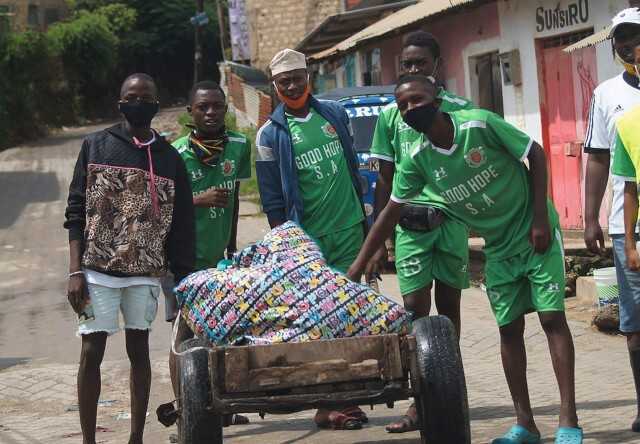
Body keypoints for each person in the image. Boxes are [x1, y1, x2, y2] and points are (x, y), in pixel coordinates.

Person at [348, 74, 582, 444]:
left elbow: (534, 153)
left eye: (417, 100)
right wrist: (359, 264)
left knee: (552, 317)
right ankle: (525, 424)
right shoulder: (417, 160)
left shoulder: (480, 124)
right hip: (499, 247)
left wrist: (540, 216)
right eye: (403, 105)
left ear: (437, 99)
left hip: (535, 234)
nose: (411, 109)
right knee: (508, 329)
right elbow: (391, 210)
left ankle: (568, 420)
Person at [64, 73, 195, 444]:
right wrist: (75, 270)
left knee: (140, 352)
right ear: (120, 103)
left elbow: (183, 226)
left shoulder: (170, 158)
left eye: (146, 97)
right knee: (92, 350)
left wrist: (185, 280)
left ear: (156, 104)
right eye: (131, 97)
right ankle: (89, 440)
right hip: (96, 272)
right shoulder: (95, 146)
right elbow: (75, 211)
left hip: (144, 274)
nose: (139, 102)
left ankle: (136, 437)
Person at [255, 48, 367, 430]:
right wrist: (288, 249)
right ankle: (326, 404)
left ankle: (349, 397)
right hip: (310, 243)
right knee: (318, 322)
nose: (291, 85)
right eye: (283, 81)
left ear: (308, 78)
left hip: (351, 231)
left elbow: (354, 169)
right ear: (274, 85)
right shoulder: (269, 135)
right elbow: (272, 202)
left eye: (297, 78)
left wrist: (369, 228)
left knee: (352, 318)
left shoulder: (334, 115)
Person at [369, 30, 473, 433]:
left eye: (421, 63)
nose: (414, 70)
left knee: (449, 315)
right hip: (409, 227)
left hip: (450, 224)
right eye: (407, 64)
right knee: (413, 311)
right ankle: (418, 403)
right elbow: (384, 177)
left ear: (437, 65)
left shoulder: (459, 109)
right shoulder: (390, 114)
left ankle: (449, 396)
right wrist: (378, 241)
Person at [168, 80, 251, 427]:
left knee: (223, 331)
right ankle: (186, 410)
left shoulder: (238, 146)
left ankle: (223, 407)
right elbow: (161, 208)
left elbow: (232, 203)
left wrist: (231, 245)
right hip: (183, 261)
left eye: (217, 105)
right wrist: (197, 200)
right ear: (191, 112)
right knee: (183, 335)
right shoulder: (175, 153)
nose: (211, 112)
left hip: (220, 258)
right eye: (203, 107)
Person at [584, 7, 640, 433]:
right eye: (621, 37)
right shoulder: (606, 94)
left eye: (635, 35)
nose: (629, 44)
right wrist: (590, 218)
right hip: (628, 229)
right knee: (635, 323)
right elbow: (599, 157)